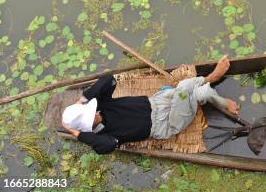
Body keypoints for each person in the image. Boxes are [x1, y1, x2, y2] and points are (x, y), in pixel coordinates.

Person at [61, 56, 239, 154]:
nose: (95, 114)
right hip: (167, 123)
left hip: (158, 101)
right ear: (86, 127)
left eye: (89, 111)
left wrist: (82, 101)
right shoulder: (104, 136)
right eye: (90, 117)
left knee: (184, 92)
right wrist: (77, 134)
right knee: (188, 89)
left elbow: (108, 80)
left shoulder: (102, 104)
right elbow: (106, 147)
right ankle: (212, 85)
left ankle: (207, 83)